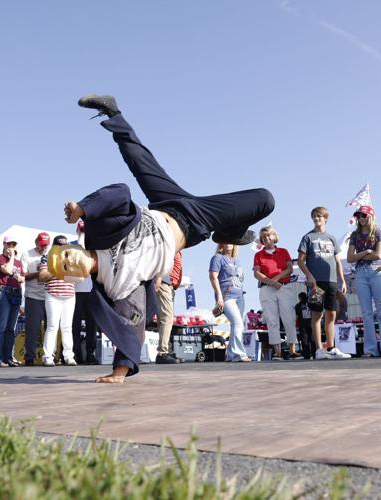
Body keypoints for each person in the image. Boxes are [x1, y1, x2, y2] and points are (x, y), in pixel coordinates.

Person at [46, 94, 274, 383]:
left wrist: (83, 208)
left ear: (74, 247)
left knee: (139, 159)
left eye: (67, 255)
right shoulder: (116, 286)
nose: (71, 261)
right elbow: (132, 324)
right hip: (194, 223)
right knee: (265, 199)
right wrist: (119, 372)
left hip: (165, 204)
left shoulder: (97, 233)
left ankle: (113, 112)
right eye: (66, 267)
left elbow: (120, 193)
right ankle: (227, 232)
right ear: (75, 277)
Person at [297, 206, 350, 360]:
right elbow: (300, 261)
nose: (316, 218)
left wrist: (342, 280)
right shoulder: (308, 237)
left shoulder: (331, 238)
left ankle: (331, 348)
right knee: (316, 314)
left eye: (319, 216)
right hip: (316, 283)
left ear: (325, 218)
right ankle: (319, 349)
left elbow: (338, 261)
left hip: (331, 281)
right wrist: (309, 276)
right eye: (314, 216)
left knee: (331, 313)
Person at [346, 206, 381, 357]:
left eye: (364, 215)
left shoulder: (378, 231)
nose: (361, 218)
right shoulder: (355, 235)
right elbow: (349, 258)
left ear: (371, 216)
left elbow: (378, 255)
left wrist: (360, 256)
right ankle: (370, 349)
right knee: (366, 313)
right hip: (361, 273)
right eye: (359, 216)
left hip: (377, 271)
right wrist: (366, 252)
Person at [253, 226, 299, 360]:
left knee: (289, 318)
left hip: (284, 287)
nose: (266, 238)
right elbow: (257, 273)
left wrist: (276, 279)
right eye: (263, 237)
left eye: (268, 235)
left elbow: (290, 269)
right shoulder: (258, 255)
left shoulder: (284, 251)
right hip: (267, 289)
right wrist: (271, 282)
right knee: (271, 320)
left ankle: (292, 350)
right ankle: (277, 352)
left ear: (274, 236)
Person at [38, 235, 77, 366]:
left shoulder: (71, 258)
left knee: (67, 327)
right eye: (60, 245)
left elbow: (78, 276)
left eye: (65, 246)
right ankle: (48, 356)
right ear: (54, 246)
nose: (63, 248)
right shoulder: (47, 257)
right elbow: (42, 277)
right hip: (53, 295)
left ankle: (69, 356)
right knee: (52, 326)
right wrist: (58, 267)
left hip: (69, 295)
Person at [210, 243, 250, 362]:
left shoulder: (236, 260)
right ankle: (239, 354)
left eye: (231, 241)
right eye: (225, 240)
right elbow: (213, 277)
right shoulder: (218, 258)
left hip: (239, 296)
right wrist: (219, 297)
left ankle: (231, 355)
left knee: (236, 326)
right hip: (227, 296)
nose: (228, 243)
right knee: (238, 323)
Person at [0, 236, 25, 367]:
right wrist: (11, 258)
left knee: (11, 328)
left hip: (16, 292)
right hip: (4, 291)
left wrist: (19, 276)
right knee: (1, 326)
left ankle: (8, 357)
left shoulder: (19, 263)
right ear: (4, 244)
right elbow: (7, 270)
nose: (11, 247)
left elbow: (21, 277)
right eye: (9, 244)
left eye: (13, 244)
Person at [71, 220, 99, 364]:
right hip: (75, 291)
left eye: (85, 231)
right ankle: (75, 353)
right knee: (74, 324)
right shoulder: (71, 246)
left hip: (91, 290)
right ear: (77, 231)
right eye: (81, 231)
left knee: (91, 325)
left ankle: (90, 353)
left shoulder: (95, 247)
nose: (83, 233)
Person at [21, 232, 50, 366]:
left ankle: (49, 356)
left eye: (46, 245)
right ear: (36, 243)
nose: (44, 247)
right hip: (33, 296)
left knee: (51, 327)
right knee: (32, 328)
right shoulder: (27, 254)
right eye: (41, 245)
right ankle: (29, 357)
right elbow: (23, 275)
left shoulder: (51, 254)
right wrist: (39, 273)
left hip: (50, 295)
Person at [155, 251, 184, 364]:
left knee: (163, 319)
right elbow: (161, 259)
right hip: (164, 282)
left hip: (169, 284)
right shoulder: (171, 245)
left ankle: (166, 350)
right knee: (167, 317)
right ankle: (162, 352)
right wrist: (159, 277)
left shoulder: (177, 247)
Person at [294, 292, 314, 359]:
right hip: (311, 324)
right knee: (312, 339)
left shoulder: (298, 305)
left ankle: (306, 355)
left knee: (304, 340)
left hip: (302, 325)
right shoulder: (310, 304)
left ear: (299, 298)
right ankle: (314, 354)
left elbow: (296, 316)